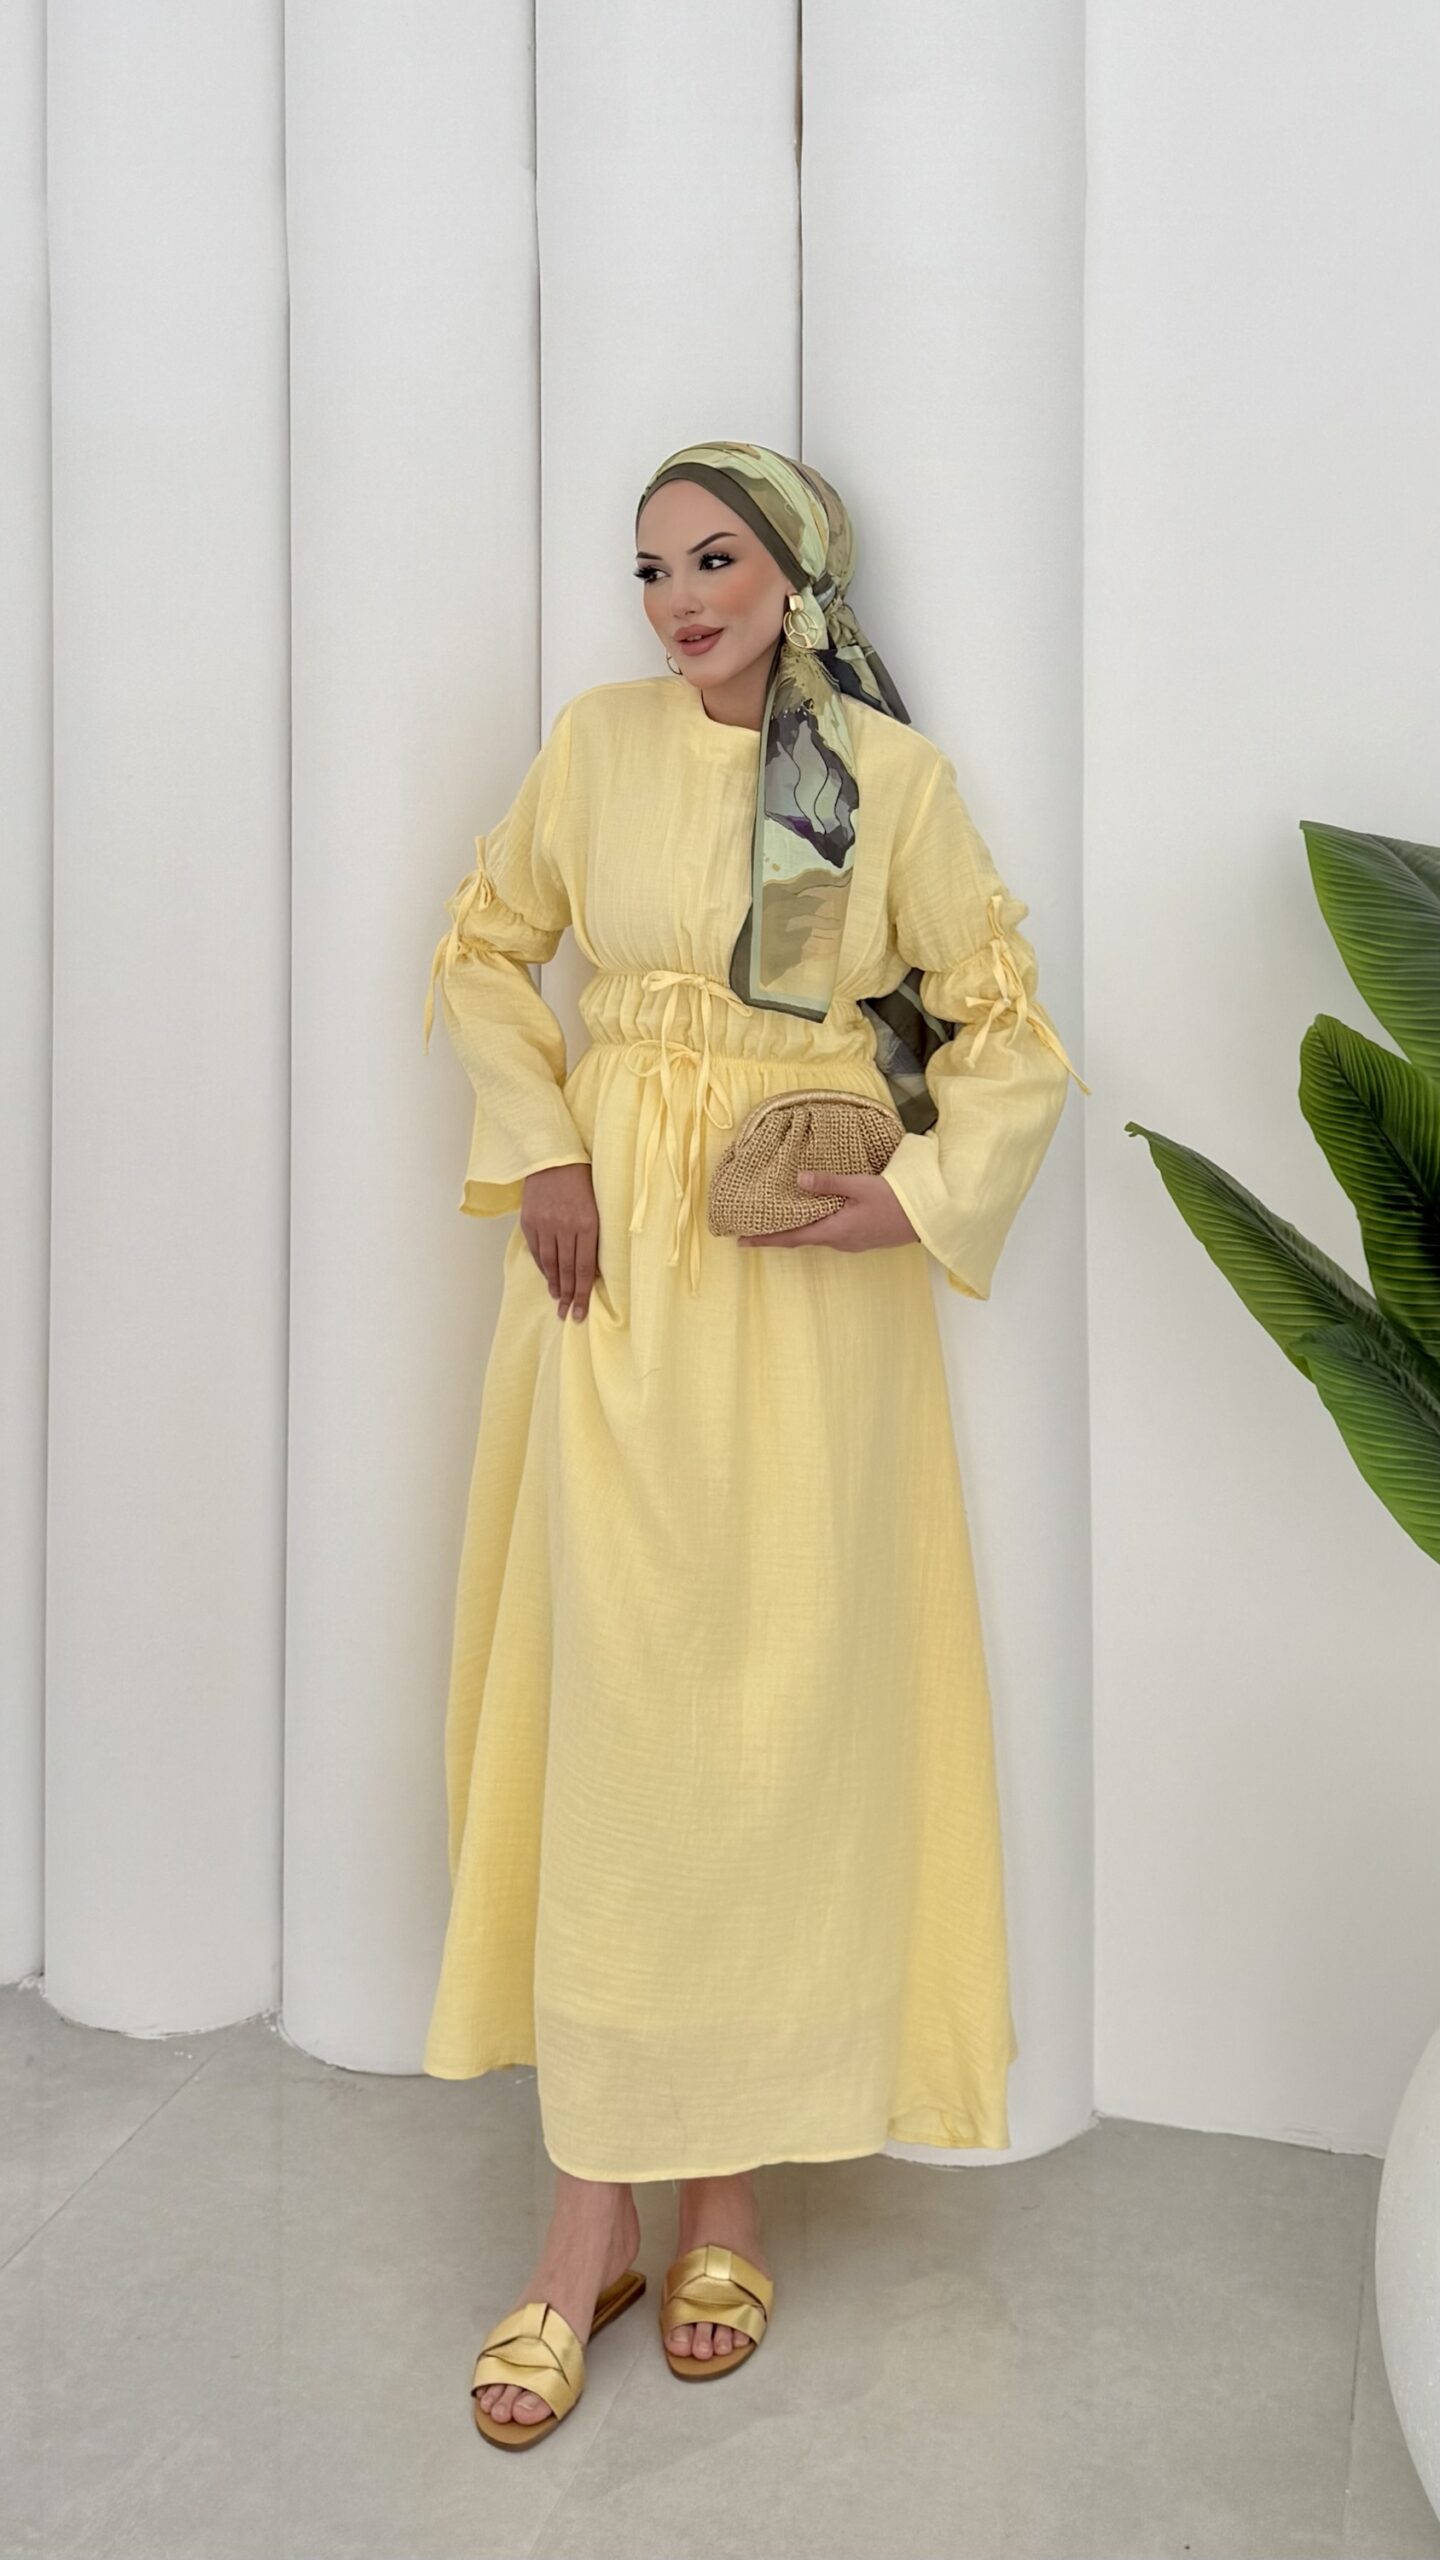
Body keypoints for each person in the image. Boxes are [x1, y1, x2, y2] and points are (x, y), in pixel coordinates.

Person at [420, 440, 1088, 2446]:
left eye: (714, 559)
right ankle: (585, 2225)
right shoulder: (594, 746)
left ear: (795, 572)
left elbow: (1004, 1020)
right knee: (621, 1719)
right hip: (614, 1273)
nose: (679, 600)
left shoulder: (886, 783)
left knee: (775, 1717)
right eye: (649, 569)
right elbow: (481, 943)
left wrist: (923, 1201)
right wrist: (544, 1145)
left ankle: (723, 2199)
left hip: (805, 1288)